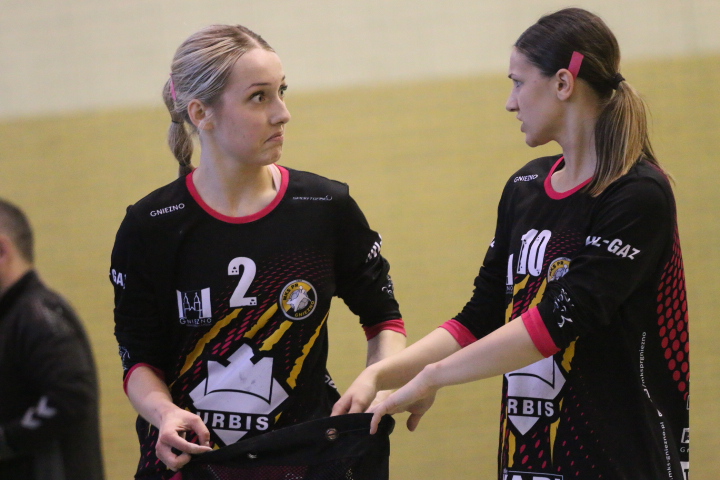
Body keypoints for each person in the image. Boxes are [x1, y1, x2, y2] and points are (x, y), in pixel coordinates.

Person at [333, 8, 690, 480]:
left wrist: (434, 376)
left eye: (518, 83)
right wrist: (384, 373)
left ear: (563, 83)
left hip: (617, 460)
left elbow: (560, 319)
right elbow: (481, 314)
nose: (510, 102)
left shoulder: (637, 194)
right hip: (530, 459)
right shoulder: (525, 187)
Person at [109, 24, 406, 480]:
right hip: (191, 465)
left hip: (303, 462)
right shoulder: (151, 226)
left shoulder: (325, 207)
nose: (282, 114)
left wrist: (378, 381)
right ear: (201, 113)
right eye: (259, 97)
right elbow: (139, 360)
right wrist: (164, 412)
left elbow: (384, 319)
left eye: (281, 92)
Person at [0, 198, 104, 480]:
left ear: (2, 250)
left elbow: (70, 398)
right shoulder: (15, 316)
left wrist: (6, 440)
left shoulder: (36, 315)